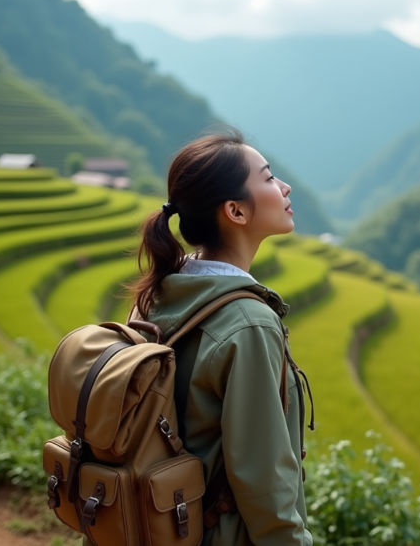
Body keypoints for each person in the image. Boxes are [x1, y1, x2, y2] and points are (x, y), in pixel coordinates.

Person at [128, 128, 313, 546]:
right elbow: (265, 484)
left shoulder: (159, 292)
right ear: (236, 211)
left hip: (157, 527)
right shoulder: (249, 325)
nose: (284, 186)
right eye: (268, 178)